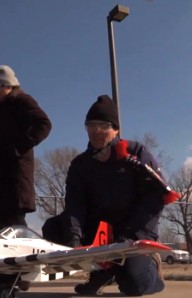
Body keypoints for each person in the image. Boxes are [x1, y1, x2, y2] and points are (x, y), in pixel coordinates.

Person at [57, 95, 166, 296]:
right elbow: (75, 202)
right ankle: (102, 271)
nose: (96, 131)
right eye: (91, 125)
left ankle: (150, 267)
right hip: (100, 231)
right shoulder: (80, 164)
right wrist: (74, 235)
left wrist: (132, 234)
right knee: (53, 228)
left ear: (115, 129)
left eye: (103, 125)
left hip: (134, 231)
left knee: (134, 286)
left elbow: (156, 197)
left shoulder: (136, 152)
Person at [0, 65, 52, 291]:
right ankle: (6, 276)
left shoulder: (22, 101)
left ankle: (19, 275)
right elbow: (3, 136)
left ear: (6, 85)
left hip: (14, 174)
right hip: (0, 175)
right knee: (0, 228)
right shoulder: (2, 107)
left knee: (14, 226)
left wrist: (19, 148)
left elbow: (44, 124)